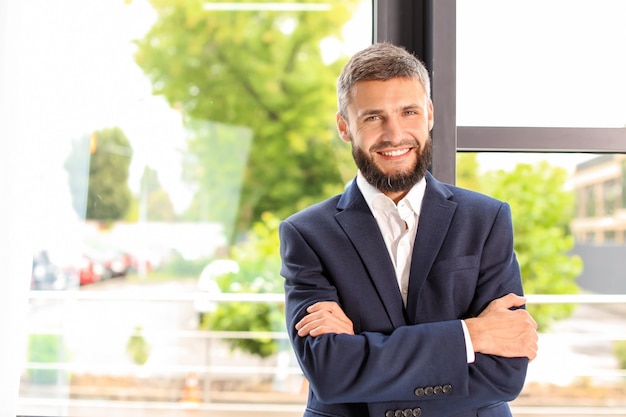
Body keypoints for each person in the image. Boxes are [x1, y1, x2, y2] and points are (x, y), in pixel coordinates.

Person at [278, 42, 538, 417]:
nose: (394, 134)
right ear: (344, 127)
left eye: (409, 112)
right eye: (373, 117)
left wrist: (364, 360)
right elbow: (329, 372)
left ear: (429, 114)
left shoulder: (486, 219)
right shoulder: (307, 234)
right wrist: (472, 335)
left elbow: (504, 373)